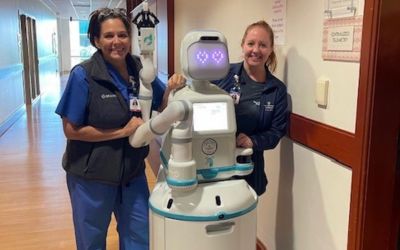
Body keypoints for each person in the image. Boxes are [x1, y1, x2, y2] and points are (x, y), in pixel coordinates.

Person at [55, 8, 183, 250]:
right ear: (96, 40)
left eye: (122, 35)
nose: (117, 42)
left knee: (141, 238)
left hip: (131, 174)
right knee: (92, 242)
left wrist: (170, 89)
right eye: (109, 36)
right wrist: (121, 132)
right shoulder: (84, 75)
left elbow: (160, 105)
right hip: (91, 178)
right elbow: (71, 130)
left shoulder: (139, 68)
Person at [212, 20, 288, 196]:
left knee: (245, 219)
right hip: (215, 160)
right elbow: (199, 97)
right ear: (242, 45)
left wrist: (252, 141)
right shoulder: (223, 74)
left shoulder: (276, 90)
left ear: (270, 50)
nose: (255, 50)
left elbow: (276, 132)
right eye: (251, 43)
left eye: (263, 45)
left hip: (249, 166)